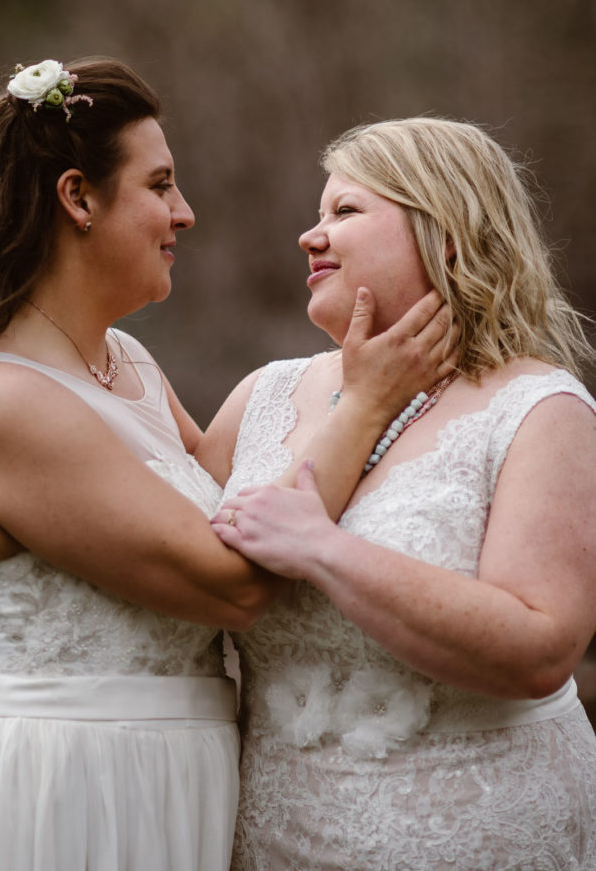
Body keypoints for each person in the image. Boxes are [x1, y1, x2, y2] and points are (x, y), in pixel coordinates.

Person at [0, 60, 456, 871]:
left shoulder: (124, 362)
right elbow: (230, 581)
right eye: (160, 185)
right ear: (78, 198)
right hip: (60, 791)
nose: (185, 213)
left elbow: (228, 500)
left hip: (171, 781)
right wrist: (367, 404)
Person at [208, 117, 596, 870]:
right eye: (318, 215)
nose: (308, 237)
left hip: (477, 837)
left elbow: (539, 649)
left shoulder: (539, 408)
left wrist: (326, 551)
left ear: (444, 233)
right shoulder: (263, 396)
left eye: (345, 212)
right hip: (273, 838)